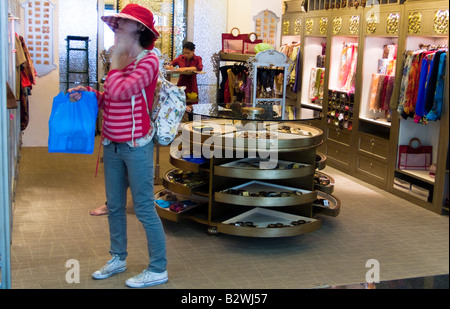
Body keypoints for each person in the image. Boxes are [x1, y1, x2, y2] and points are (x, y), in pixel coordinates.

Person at [68, 4, 168, 288]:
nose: (117, 29)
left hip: (136, 145)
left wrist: (114, 64)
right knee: (114, 206)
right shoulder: (121, 58)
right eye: (118, 23)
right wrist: (88, 94)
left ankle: (159, 268)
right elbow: (111, 99)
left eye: (123, 24)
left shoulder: (149, 61)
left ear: (139, 29)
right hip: (111, 143)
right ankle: (118, 258)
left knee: (145, 208)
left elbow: (121, 90)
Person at [166, 41, 203, 109]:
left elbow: (199, 68)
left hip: (192, 85)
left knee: (192, 106)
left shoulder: (198, 59)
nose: (186, 55)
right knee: (179, 104)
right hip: (181, 83)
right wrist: (169, 66)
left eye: (188, 53)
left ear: (193, 51)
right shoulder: (180, 58)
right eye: (185, 53)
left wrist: (183, 69)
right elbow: (170, 63)